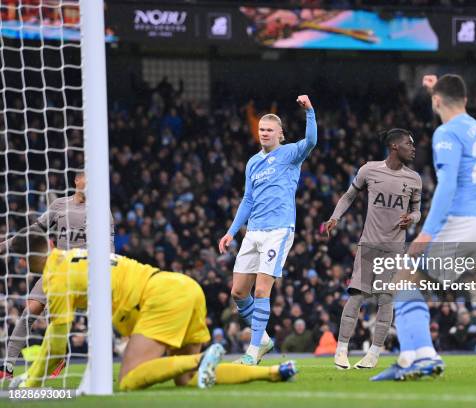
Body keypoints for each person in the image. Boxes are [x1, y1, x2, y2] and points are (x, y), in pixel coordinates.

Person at [8, 234, 297, 390]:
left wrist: (30, 382)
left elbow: (57, 345)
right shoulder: (74, 254)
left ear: (23, 264)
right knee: (187, 379)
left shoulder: (55, 279)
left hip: (158, 298)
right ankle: (274, 372)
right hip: (183, 286)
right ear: (51, 244)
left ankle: (200, 357)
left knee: (129, 379)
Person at [372, 74, 476, 381]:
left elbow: (447, 186)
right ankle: (409, 357)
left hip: (459, 223)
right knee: (411, 279)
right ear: (465, 100)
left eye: (433, 98)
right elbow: (451, 98)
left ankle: (423, 355)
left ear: (437, 101)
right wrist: (436, 88)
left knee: (402, 276)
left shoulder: (446, 133)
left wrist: (426, 232)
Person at [218, 95, 317, 365]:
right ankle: (263, 340)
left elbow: (311, 141)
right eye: (261, 129)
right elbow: (247, 200)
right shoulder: (252, 163)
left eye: (269, 130)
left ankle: (252, 351)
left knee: (262, 290)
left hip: (279, 230)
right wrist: (231, 231)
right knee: (238, 292)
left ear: (280, 134)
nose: (264, 133)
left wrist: (309, 111)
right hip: (254, 231)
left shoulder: (290, 154)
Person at [0, 172, 115, 379]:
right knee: (30, 311)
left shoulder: (101, 210)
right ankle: (7, 365)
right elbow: (34, 230)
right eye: (86, 179)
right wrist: (6, 245)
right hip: (56, 269)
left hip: (84, 272)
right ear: (77, 181)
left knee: (67, 320)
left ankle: (74, 362)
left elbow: (109, 246)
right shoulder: (60, 205)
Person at [325, 128, 421, 369]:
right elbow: (349, 196)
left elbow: (418, 209)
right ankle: (341, 350)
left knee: (386, 298)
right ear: (395, 147)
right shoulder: (369, 169)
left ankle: (374, 354)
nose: (414, 148)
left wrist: (414, 218)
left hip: (394, 247)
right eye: (409, 144)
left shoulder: (414, 179)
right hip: (368, 244)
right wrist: (335, 217)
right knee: (357, 295)